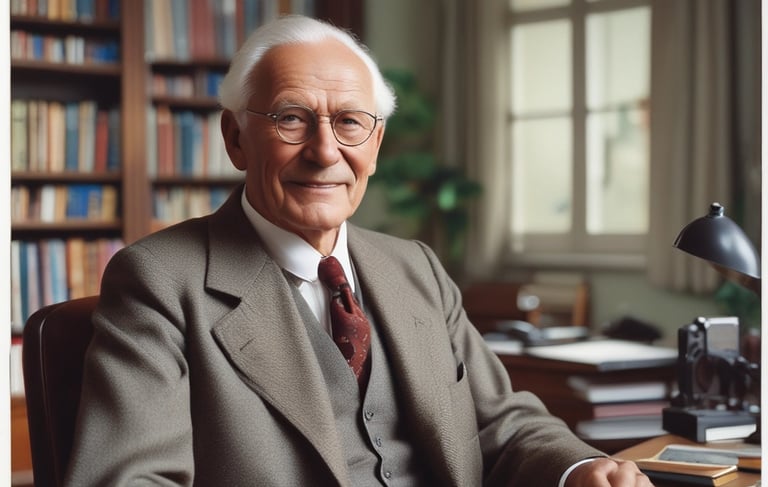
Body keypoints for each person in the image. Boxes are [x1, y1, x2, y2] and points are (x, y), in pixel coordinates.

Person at [65, 15, 653, 487]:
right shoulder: (159, 280)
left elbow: (501, 422)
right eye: (292, 119)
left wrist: (580, 470)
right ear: (236, 138)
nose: (325, 152)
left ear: (375, 144)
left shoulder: (415, 267)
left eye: (350, 122)